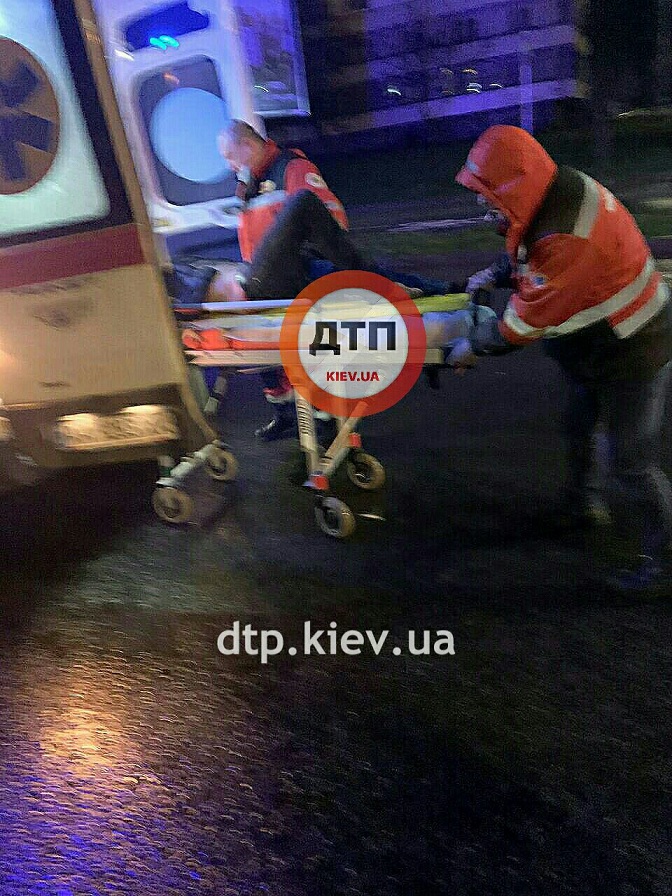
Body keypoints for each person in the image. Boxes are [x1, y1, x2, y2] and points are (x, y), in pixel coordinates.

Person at [448, 125, 672, 593]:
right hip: (601, 344)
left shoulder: (567, 232)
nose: (482, 203)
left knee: (632, 461)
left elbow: (524, 322)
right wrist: (495, 272)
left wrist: (471, 346)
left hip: (636, 346)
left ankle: (665, 564)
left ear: (513, 185)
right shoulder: (552, 193)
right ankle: (583, 507)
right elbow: (532, 256)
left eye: (487, 193)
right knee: (579, 424)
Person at [216, 120, 372, 441]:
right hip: (271, 284)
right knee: (265, 345)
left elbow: (328, 221)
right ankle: (285, 412)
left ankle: (328, 416)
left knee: (317, 344)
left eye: (230, 156)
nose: (229, 165)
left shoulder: (293, 169)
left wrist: (303, 267)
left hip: (302, 277)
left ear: (248, 146)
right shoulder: (249, 185)